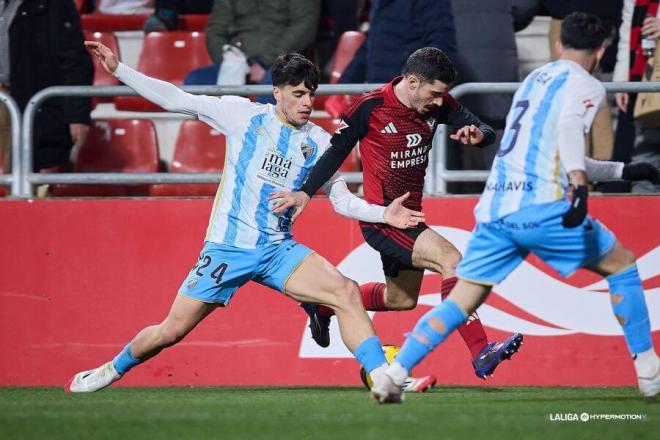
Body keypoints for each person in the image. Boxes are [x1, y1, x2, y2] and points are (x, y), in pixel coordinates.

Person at [66, 43, 425, 393]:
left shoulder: (318, 141)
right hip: (227, 248)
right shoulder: (243, 115)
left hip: (277, 250)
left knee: (345, 291)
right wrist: (119, 71)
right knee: (170, 332)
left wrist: (383, 214)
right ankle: (110, 370)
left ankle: (381, 376)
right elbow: (176, 99)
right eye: (298, 93)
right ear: (277, 92)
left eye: (311, 94)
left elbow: (342, 200)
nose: (306, 102)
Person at [371, 12, 660, 403]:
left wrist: (625, 170)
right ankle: (649, 372)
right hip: (541, 207)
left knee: (462, 300)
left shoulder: (534, 81)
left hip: (497, 209)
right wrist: (578, 184)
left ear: (559, 45)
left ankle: (394, 375)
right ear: (602, 49)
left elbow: (553, 147)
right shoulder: (586, 84)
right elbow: (569, 130)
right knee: (622, 265)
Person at [270, 47, 524, 383]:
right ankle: (481, 352)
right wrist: (305, 191)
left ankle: (322, 306)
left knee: (400, 299)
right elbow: (335, 153)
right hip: (384, 220)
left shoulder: (439, 104)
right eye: (434, 93)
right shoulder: (370, 107)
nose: (438, 102)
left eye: (443, 95)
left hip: (411, 219)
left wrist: (478, 136)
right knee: (452, 260)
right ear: (413, 82)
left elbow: (483, 129)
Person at [1, 0, 93, 173]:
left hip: (32, 104)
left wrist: (77, 115)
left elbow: (76, 61)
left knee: (22, 177)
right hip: (7, 100)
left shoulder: (53, 5)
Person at [184, 0, 320, 105]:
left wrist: (267, 62)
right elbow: (216, 28)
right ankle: (208, 139)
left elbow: (304, 26)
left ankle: (260, 137)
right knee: (195, 81)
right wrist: (228, 60)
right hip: (236, 60)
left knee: (277, 84)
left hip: (283, 62)